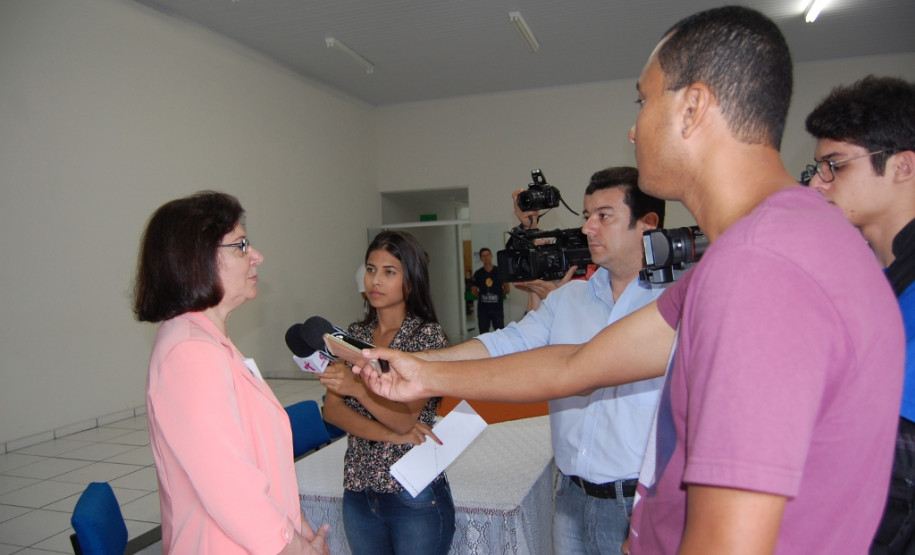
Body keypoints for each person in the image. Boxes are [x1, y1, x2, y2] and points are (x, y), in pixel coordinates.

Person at [354, 7, 906, 553]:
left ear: (692, 108)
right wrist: (422, 373)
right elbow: (578, 365)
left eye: (644, 101)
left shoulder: (765, 266)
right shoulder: (765, 247)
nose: (633, 127)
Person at [420, 167, 666, 554]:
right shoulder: (569, 299)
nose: (588, 228)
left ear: (647, 225)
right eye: (586, 216)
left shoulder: (672, 307)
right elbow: (507, 343)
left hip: (637, 504)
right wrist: (420, 364)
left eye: (604, 216)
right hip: (569, 496)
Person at [132, 191, 328, 554]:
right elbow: (228, 486)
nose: (257, 256)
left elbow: (256, 464)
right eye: (241, 246)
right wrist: (296, 550)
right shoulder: (189, 352)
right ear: (197, 260)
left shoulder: (208, 340)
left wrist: (297, 529)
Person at [804, 76, 915, 554]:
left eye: (834, 166)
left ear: (903, 166)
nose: (815, 182)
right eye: (816, 167)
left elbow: (895, 493)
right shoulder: (871, 279)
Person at [318, 230, 455, 555]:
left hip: (412, 489)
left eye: (389, 272)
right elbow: (332, 411)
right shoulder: (354, 335)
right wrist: (390, 436)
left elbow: (405, 420)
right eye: (370, 269)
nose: (375, 280)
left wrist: (359, 391)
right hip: (358, 487)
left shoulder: (425, 338)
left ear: (410, 281)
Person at [471, 247, 509, 331]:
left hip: (497, 309)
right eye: (483, 256)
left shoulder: (499, 271)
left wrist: (498, 295)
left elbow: (507, 288)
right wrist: (482, 297)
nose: (486, 257)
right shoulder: (478, 274)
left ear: (491, 256)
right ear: (481, 259)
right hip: (483, 310)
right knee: (483, 333)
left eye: (488, 255)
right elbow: (473, 291)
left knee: (500, 332)